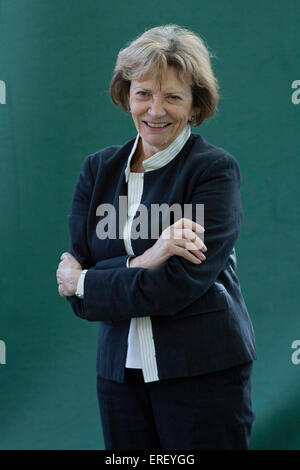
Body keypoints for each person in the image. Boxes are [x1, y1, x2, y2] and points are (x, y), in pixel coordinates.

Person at [56, 24, 257, 450]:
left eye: (173, 96)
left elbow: (178, 286)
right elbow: (77, 290)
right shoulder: (98, 169)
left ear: (194, 103)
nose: (155, 110)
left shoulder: (213, 171)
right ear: (126, 93)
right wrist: (152, 256)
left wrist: (88, 281)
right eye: (144, 92)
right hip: (119, 376)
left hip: (202, 372)